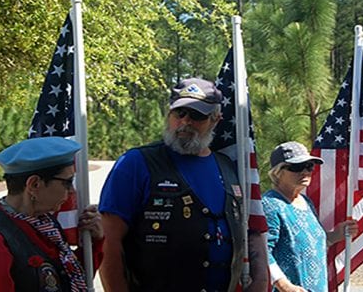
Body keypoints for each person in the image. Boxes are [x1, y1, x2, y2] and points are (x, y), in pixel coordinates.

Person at [99, 77, 268, 292]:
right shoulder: (135, 164)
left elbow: (250, 230)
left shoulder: (228, 168)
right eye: (180, 113)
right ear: (169, 114)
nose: (186, 122)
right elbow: (109, 243)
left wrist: (261, 279)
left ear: (216, 119)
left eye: (197, 115)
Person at [0, 137, 104, 292]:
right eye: (67, 182)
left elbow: (67, 280)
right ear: (34, 185)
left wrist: (93, 243)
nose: (72, 191)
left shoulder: (44, 222)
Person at [262, 141, 358, 292]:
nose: (305, 172)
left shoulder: (306, 203)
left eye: (309, 166)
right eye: (297, 167)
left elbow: (309, 245)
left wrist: (334, 236)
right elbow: (262, 251)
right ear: (278, 172)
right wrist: (283, 285)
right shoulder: (270, 205)